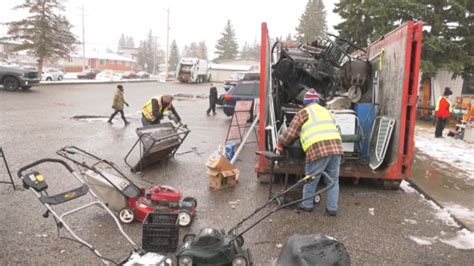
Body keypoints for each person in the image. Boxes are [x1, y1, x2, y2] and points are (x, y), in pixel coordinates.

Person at [276, 89, 343, 216]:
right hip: (336, 148)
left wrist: (280, 143)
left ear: (305, 102)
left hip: (318, 149)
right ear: (317, 101)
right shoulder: (327, 111)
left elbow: (290, 134)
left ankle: (307, 205)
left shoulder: (304, 112)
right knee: (333, 180)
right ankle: (332, 209)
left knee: (311, 179)